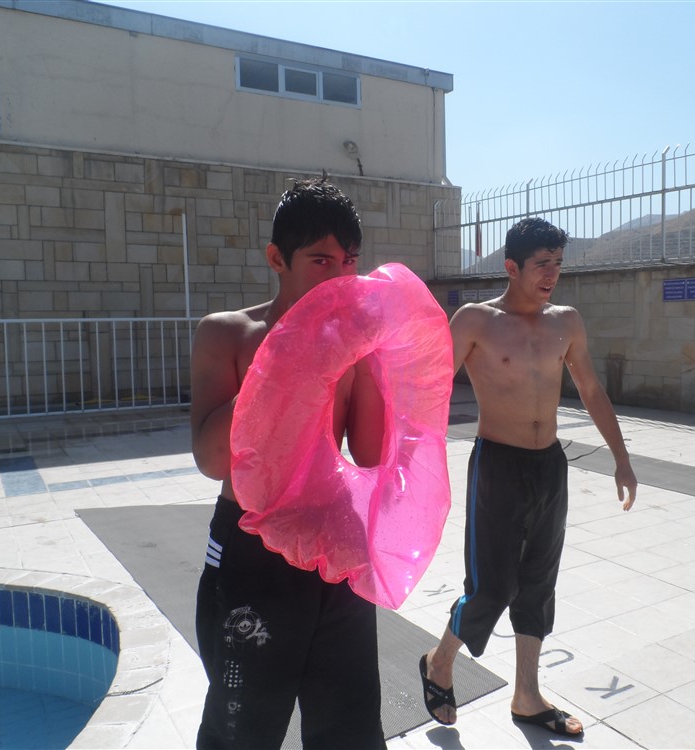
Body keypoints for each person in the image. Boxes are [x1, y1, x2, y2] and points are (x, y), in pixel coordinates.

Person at [418, 217, 638, 738]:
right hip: (497, 465)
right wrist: (407, 461)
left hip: (549, 466)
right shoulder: (476, 321)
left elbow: (591, 390)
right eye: (542, 264)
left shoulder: (567, 322)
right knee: (491, 588)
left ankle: (527, 696)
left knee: (538, 583)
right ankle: (439, 661)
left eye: (558, 263)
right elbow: (429, 389)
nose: (552, 274)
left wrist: (622, 457)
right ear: (511, 267)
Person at [191, 178, 386, 750]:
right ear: (277, 259)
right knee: (241, 731)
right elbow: (212, 460)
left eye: (349, 262)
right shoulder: (228, 334)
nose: (339, 277)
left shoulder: (352, 346)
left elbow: (370, 455)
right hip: (252, 547)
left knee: (350, 730)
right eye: (321, 260)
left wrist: (370, 362)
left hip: (333, 546)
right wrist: (290, 354)